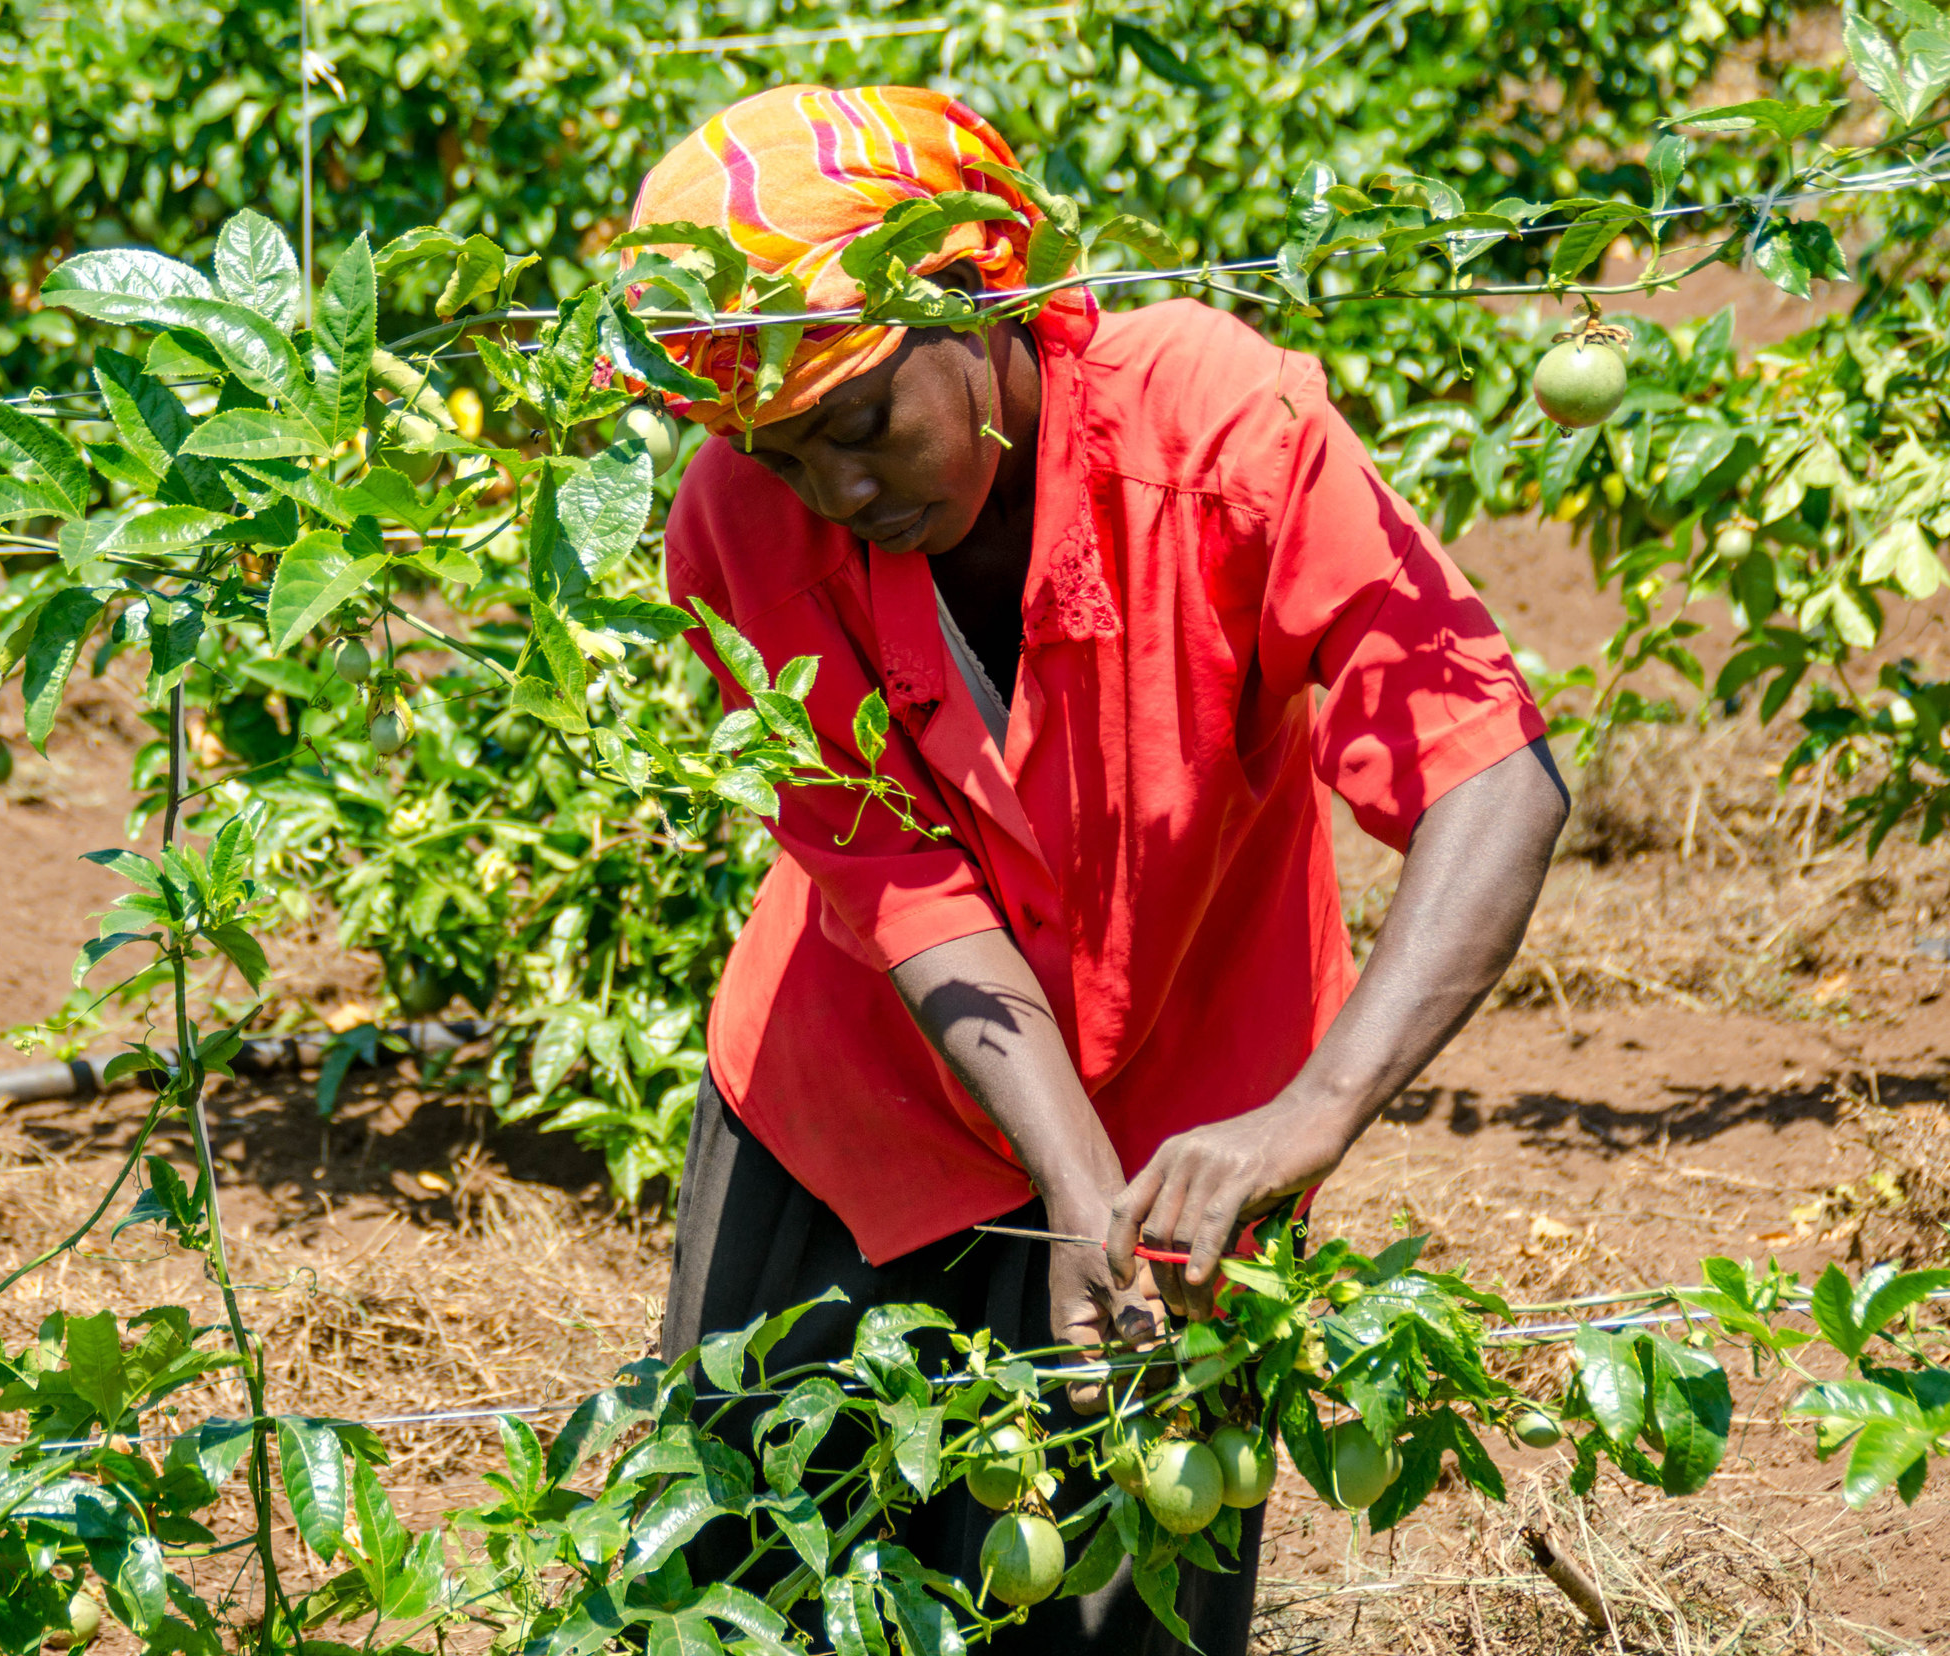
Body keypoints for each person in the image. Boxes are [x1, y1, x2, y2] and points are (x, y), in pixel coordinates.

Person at [637, 85, 1570, 1656]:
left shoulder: (1216, 425)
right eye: (787, 457)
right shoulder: (740, 526)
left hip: (1186, 1122)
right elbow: (905, 887)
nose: (840, 494)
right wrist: (1063, 1171)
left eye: (863, 425)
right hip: (858, 1108)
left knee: (1119, 1600)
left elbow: (1492, 770)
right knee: (761, 1577)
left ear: (984, 284)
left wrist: (1305, 1117)